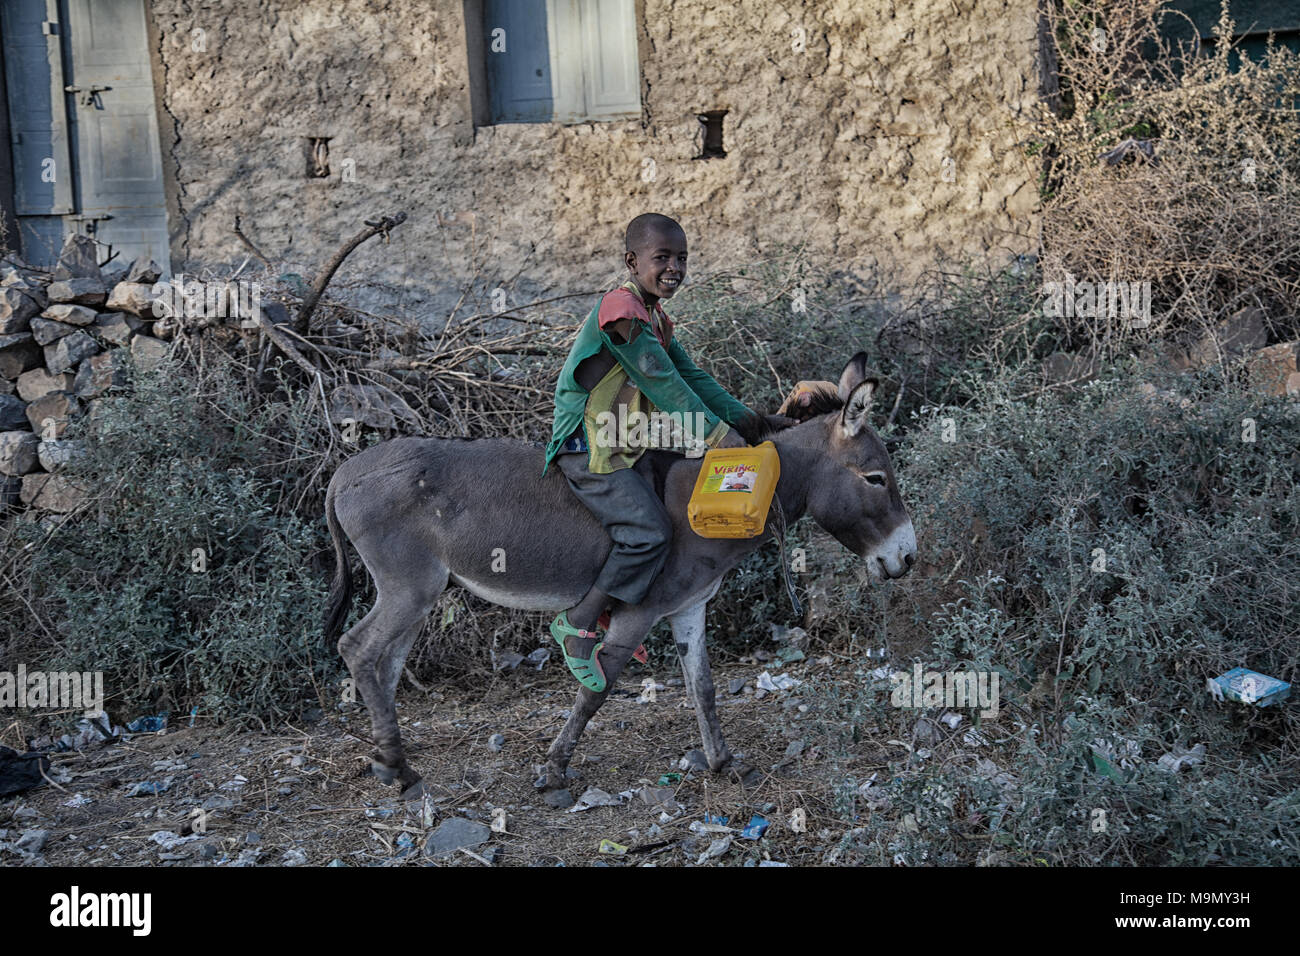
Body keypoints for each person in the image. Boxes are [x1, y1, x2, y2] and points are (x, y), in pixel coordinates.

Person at [541, 212, 752, 691]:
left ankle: (614, 616)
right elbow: (662, 384)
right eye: (662, 258)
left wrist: (755, 422)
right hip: (587, 446)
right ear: (632, 262)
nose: (674, 267)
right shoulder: (621, 312)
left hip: (623, 443)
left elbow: (694, 379)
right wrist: (720, 439)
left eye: (682, 258)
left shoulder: (655, 316)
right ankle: (576, 624)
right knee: (649, 532)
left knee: (669, 514)